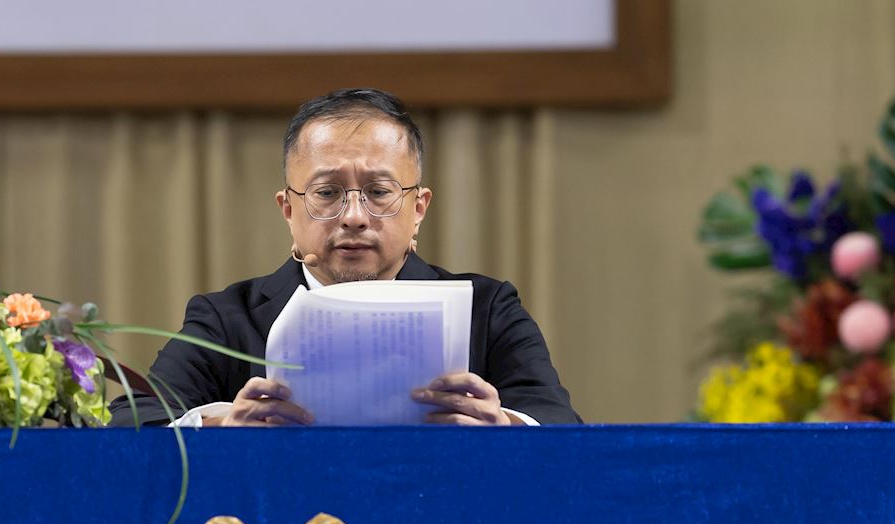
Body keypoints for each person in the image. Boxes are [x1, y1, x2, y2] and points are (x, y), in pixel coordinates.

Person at [109, 88, 579, 427]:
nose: (354, 217)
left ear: (418, 209)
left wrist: (503, 427)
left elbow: (562, 427)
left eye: (379, 192)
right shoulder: (226, 319)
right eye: (327, 192)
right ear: (288, 210)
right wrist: (221, 427)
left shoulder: (488, 309)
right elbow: (131, 422)